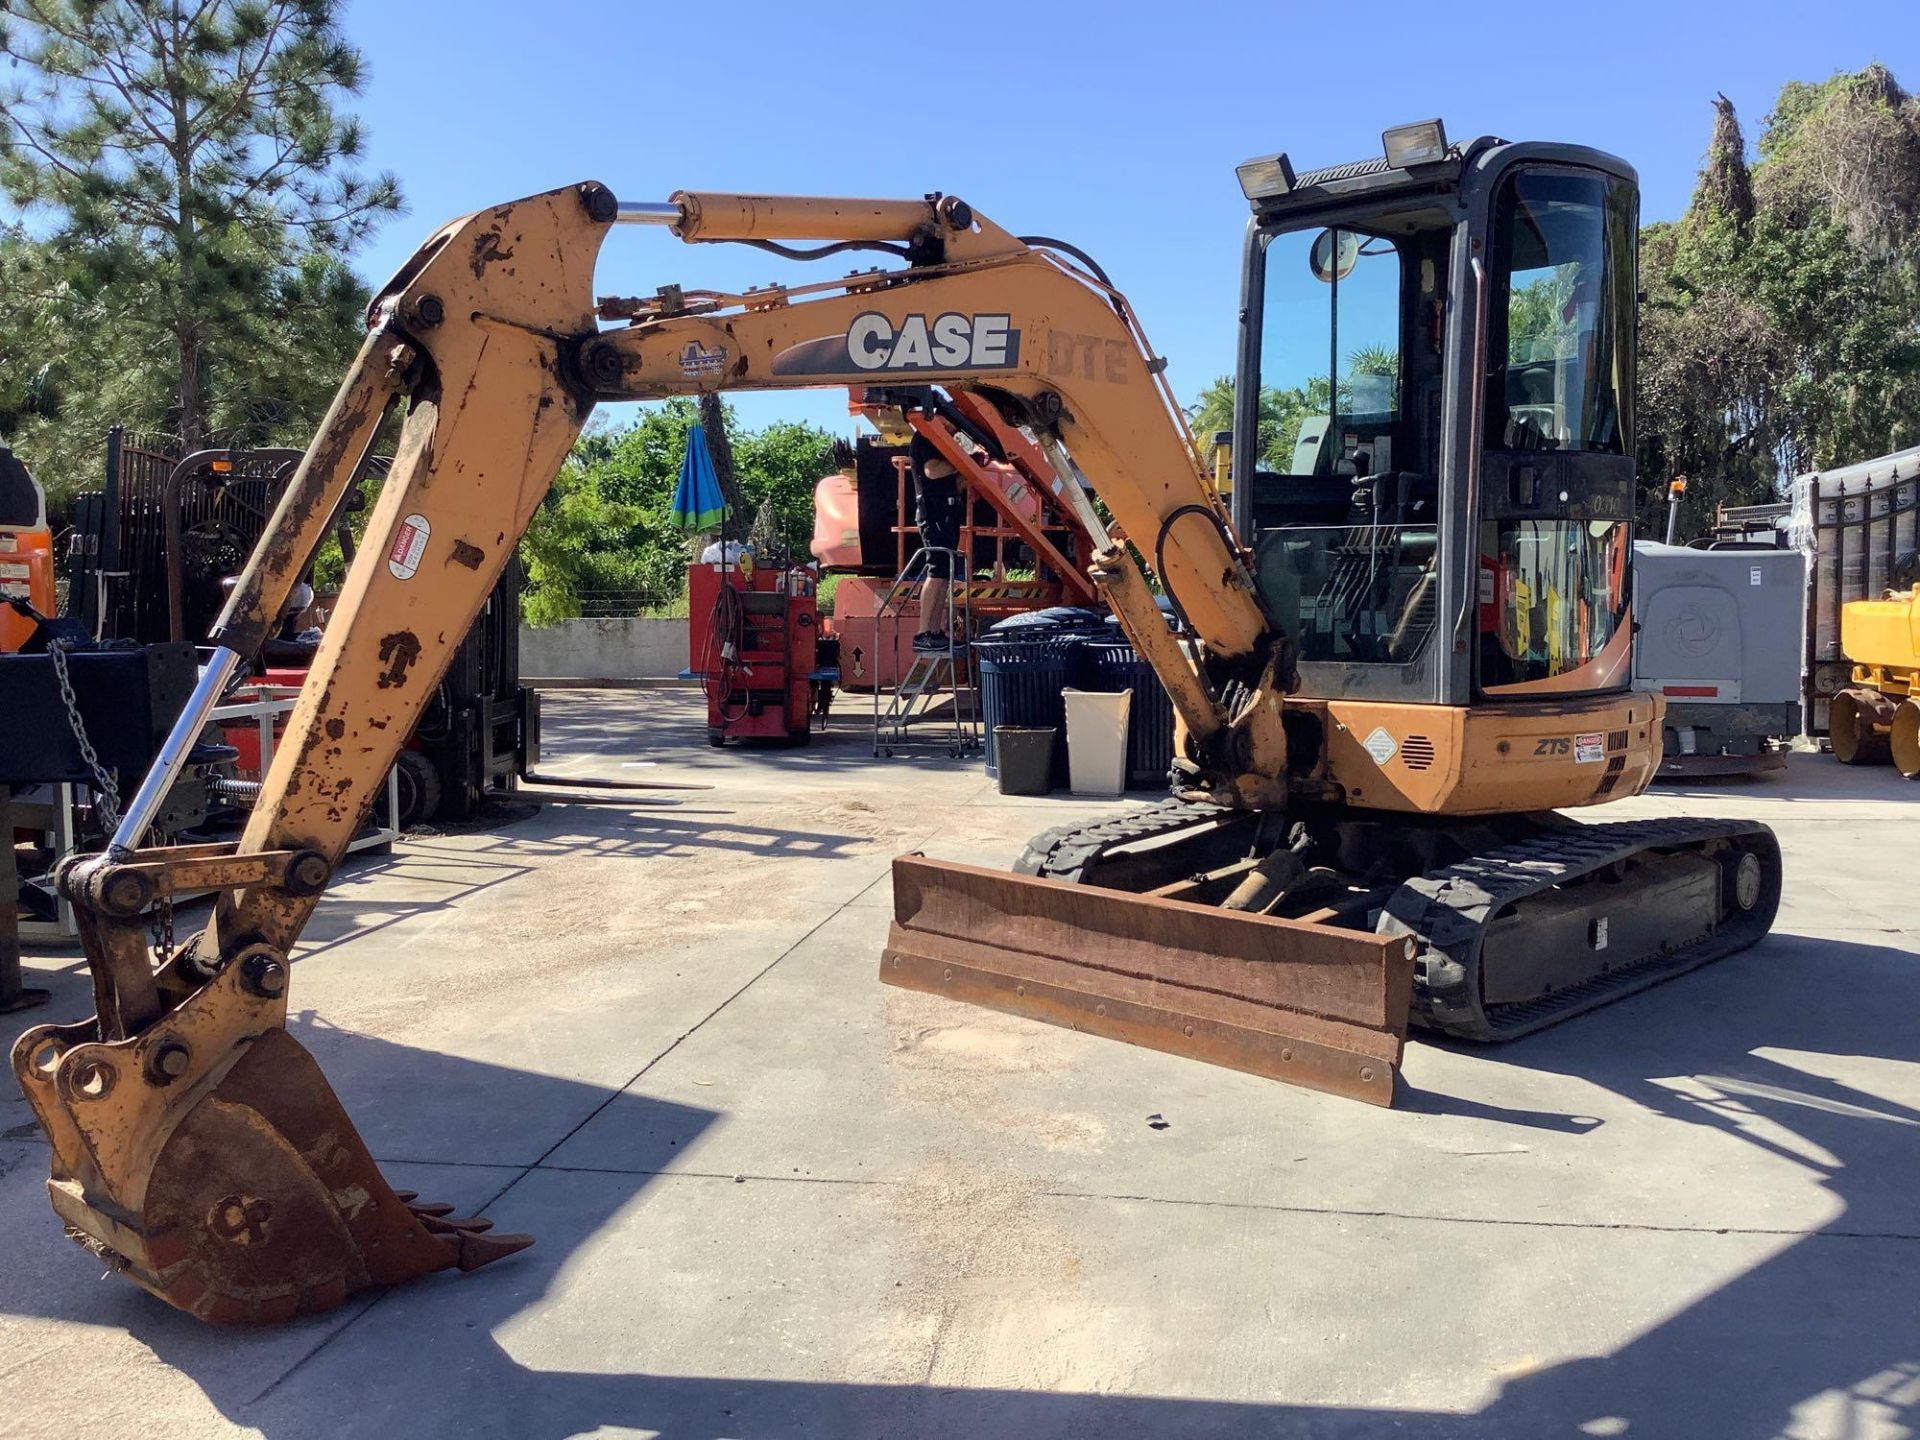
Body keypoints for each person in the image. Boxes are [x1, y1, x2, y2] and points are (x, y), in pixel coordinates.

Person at [909, 429, 966, 652]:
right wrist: (963, 463)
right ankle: (924, 631)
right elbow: (932, 471)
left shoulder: (937, 440)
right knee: (936, 571)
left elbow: (951, 482)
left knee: (943, 572)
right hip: (934, 513)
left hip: (946, 512)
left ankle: (934, 631)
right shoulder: (928, 437)